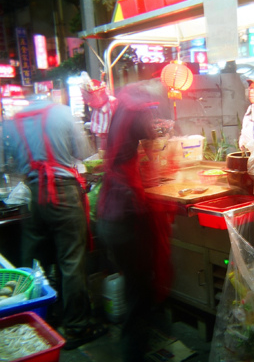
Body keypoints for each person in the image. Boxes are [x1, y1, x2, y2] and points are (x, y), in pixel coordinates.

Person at [3, 96, 108, 350]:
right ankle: (77, 327)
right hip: (63, 192)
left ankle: (41, 317)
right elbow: (83, 152)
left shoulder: (11, 123)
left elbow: (7, 164)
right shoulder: (62, 113)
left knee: (36, 258)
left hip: (34, 195)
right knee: (71, 260)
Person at [96, 81, 174, 362]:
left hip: (109, 213)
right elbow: (155, 142)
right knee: (139, 290)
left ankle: (147, 341)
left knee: (137, 285)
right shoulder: (135, 110)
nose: (152, 110)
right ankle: (135, 353)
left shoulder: (121, 110)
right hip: (124, 216)